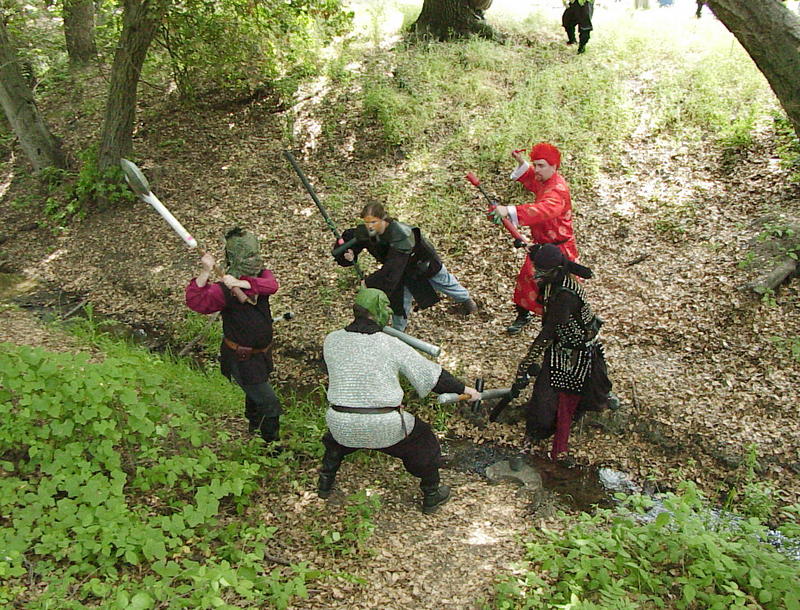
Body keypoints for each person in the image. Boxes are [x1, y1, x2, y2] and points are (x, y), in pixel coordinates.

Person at [317, 288, 480, 513]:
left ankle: (325, 482)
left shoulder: (332, 340)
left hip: (340, 423)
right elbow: (431, 376)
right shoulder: (390, 344)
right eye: (385, 307)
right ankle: (432, 493)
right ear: (374, 314)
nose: (389, 312)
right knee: (423, 440)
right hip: (384, 425)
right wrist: (465, 389)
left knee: (335, 441)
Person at [505, 245, 612, 461]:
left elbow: (548, 333)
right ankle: (535, 431)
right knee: (542, 399)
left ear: (555, 271)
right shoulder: (552, 280)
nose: (536, 275)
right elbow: (533, 248)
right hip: (558, 345)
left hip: (577, 352)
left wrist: (525, 364)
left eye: (541, 272)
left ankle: (559, 428)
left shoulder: (565, 296)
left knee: (570, 395)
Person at [185, 227, 282, 446]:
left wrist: (241, 283)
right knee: (270, 403)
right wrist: (206, 271)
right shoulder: (223, 289)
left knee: (256, 396)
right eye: (248, 255)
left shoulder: (260, 276)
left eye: (255, 253)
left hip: (261, 355)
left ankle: (254, 431)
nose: (254, 259)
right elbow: (196, 301)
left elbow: (272, 285)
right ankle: (272, 447)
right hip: (242, 359)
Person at [334, 200, 477, 332]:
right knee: (399, 303)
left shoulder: (401, 234)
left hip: (422, 264)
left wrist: (370, 282)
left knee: (446, 283)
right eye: (367, 222)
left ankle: (467, 301)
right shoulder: (368, 231)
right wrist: (349, 254)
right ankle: (399, 333)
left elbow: (392, 270)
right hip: (400, 271)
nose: (370, 226)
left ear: (383, 219)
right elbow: (350, 239)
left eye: (374, 222)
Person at [493, 142, 579, 334]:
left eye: (541, 165)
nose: (536, 170)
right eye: (535, 164)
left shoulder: (557, 191)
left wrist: (509, 210)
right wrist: (522, 163)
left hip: (558, 251)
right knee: (526, 280)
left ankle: (565, 325)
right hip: (542, 247)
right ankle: (523, 315)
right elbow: (533, 177)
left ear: (554, 167)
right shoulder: (547, 180)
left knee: (563, 289)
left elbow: (541, 210)